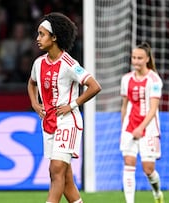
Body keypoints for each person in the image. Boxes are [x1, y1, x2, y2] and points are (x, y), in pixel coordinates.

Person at [27, 12, 101, 203]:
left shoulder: (70, 64)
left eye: (42, 34)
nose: (38, 38)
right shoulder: (38, 63)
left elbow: (94, 86)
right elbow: (31, 83)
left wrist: (72, 104)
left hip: (68, 122)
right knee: (65, 178)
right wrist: (35, 104)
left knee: (56, 169)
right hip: (49, 122)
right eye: (38, 34)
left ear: (54, 37)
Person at [120, 42, 164, 203]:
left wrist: (141, 128)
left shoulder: (154, 80)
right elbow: (124, 106)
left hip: (149, 128)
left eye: (140, 58)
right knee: (129, 164)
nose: (136, 61)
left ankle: (157, 193)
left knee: (148, 169)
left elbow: (153, 109)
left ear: (147, 59)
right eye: (134, 58)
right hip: (130, 127)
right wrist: (123, 128)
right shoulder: (126, 79)